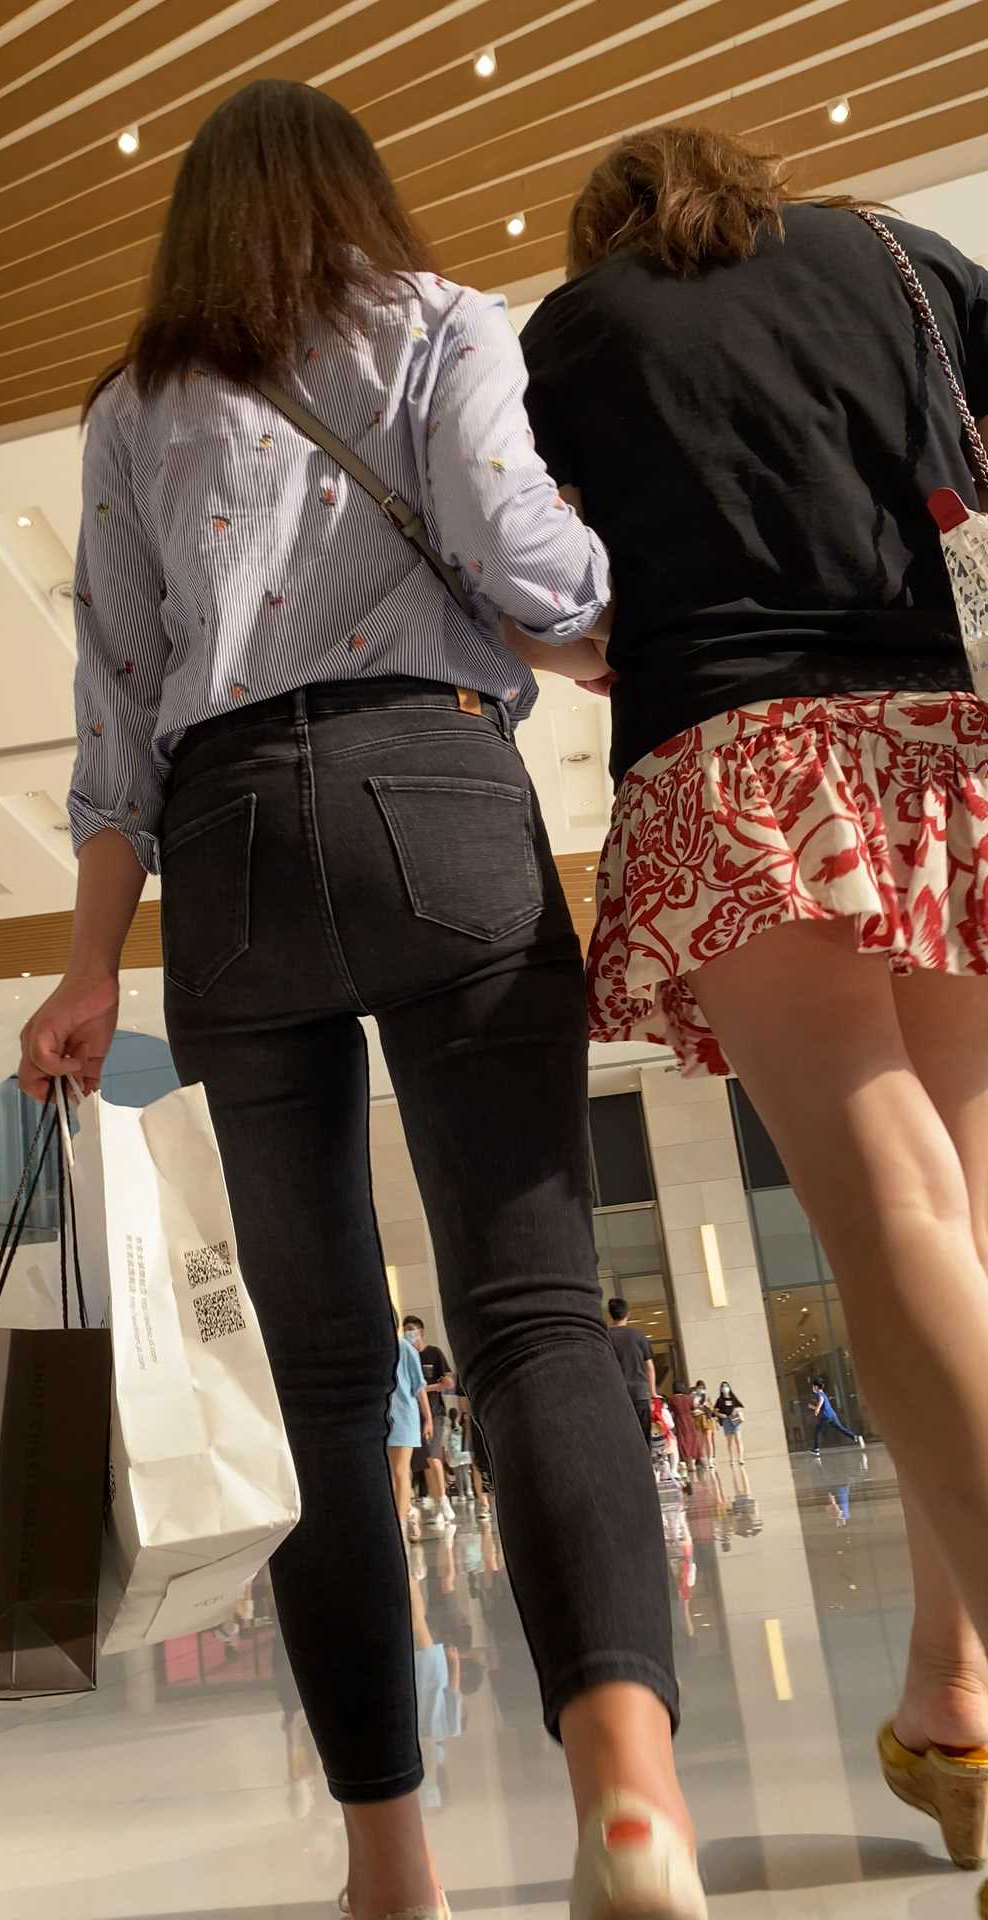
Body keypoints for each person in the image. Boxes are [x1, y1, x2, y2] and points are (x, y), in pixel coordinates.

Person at [18, 81, 702, 1920]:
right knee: (534, 1311)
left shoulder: (130, 407)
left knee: (323, 1375)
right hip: (437, 791)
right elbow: (525, 557)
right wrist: (611, 601)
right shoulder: (441, 320)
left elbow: (115, 716)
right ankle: (630, 1796)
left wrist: (88, 966)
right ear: (356, 190)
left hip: (228, 847)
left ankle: (388, 1861)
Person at [520, 121, 988, 1880]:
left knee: (889, 1215)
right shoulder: (897, 258)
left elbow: (531, 581)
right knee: (959, 1220)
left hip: (738, 756)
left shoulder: (572, 337)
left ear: (604, 223)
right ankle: (955, 1696)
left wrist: (588, 645)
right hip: (942, 745)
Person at [403, 1315, 455, 1528]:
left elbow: (449, 1382)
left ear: (421, 1331)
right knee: (425, 1462)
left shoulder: (434, 1353)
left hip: (435, 1413)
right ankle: (437, 1505)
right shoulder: (406, 1355)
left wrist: (427, 1388)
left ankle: (443, 1500)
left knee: (433, 1457)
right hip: (413, 1416)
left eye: (412, 1328)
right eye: (406, 1329)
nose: (409, 1332)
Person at [388, 1312, 433, 1532]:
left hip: (405, 1416)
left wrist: (428, 1418)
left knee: (400, 1470)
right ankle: (408, 1510)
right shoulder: (374, 1349)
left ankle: (400, 1525)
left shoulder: (405, 1349)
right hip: (383, 1418)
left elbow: (419, 1386)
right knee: (392, 1473)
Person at [606, 1297, 657, 1439]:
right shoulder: (638, 1335)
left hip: (617, 1394)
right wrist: (653, 1392)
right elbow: (649, 1367)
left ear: (610, 1314)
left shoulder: (606, 1337)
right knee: (644, 1437)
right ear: (628, 1313)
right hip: (640, 1393)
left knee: (623, 1437)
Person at [808, 1379, 863, 1457]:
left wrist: (817, 1409)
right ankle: (855, 1437)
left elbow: (821, 1400)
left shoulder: (819, 1394)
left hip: (826, 1416)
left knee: (817, 1430)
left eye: (813, 1386)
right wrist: (814, 1407)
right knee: (840, 1428)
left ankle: (816, 1449)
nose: (812, 1388)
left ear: (816, 1387)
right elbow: (823, 1406)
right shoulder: (823, 1393)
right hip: (832, 1414)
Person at [668, 1381, 703, 1475]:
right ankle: (693, 1462)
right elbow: (695, 1408)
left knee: (682, 1440)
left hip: (679, 1420)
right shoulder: (689, 1398)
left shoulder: (672, 1399)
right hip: (689, 1420)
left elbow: (671, 1412)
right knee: (692, 1440)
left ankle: (687, 1461)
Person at [713, 1383, 745, 1467]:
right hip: (726, 1421)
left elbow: (740, 1406)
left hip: (734, 1420)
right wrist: (720, 1415)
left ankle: (741, 1458)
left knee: (738, 1440)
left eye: (726, 1386)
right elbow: (715, 1411)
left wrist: (736, 1410)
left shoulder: (733, 1398)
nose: (725, 1388)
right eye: (723, 1387)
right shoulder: (720, 1400)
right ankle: (732, 1458)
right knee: (730, 1441)